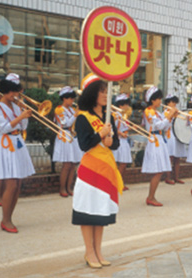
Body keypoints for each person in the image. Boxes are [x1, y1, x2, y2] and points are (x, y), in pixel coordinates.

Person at [73, 74, 122, 268]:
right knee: (88, 210)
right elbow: (84, 145)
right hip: (89, 172)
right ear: (92, 93)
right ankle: (89, 251)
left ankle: (99, 251)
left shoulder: (109, 115)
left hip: (106, 168)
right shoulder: (83, 118)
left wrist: (111, 141)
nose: (105, 95)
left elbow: (115, 142)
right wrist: (100, 134)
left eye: (106, 91)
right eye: (101, 91)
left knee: (100, 211)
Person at [0, 73, 35, 233]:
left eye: (15, 91)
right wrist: (20, 117)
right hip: (6, 145)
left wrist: (25, 115)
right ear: (4, 92)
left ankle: (9, 217)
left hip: (17, 143)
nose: (15, 95)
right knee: (11, 184)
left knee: (17, 185)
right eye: (12, 92)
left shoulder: (16, 105)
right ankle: (5, 219)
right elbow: (1, 128)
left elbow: (23, 127)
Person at [142, 86, 177, 206]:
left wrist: (171, 117)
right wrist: (169, 116)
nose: (160, 101)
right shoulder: (149, 111)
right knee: (157, 171)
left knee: (159, 171)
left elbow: (166, 126)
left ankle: (151, 196)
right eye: (158, 99)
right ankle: (150, 197)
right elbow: (159, 126)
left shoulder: (157, 112)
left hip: (160, 140)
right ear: (152, 100)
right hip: (154, 140)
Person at [52, 86, 82, 197]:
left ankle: (69, 187)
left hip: (72, 136)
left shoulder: (71, 109)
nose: (72, 101)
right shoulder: (59, 109)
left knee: (73, 164)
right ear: (64, 98)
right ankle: (62, 188)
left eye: (73, 99)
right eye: (70, 98)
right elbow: (66, 123)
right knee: (66, 164)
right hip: (64, 136)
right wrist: (75, 114)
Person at [163, 93, 187, 185]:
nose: (174, 104)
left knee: (177, 157)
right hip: (170, 135)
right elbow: (165, 125)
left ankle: (176, 177)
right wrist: (171, 115)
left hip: (178, 135)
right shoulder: (165, 113)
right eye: (172, 102)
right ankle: (168, 177)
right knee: (170, 157)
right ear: (168, 103)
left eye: (175, 102)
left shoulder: (177, 112)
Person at [112, 93, 133, 191]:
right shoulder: (116, 115)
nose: (127, 106)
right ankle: (117, 183)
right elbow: (113, 128)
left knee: (123, 164)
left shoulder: (123, 115)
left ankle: (120, 183)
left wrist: (130, 128)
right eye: (126, 104)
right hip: (119, 141)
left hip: (124, 141)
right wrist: (121, 133)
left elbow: (122, 127)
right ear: (120, 105)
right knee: (121, 163)